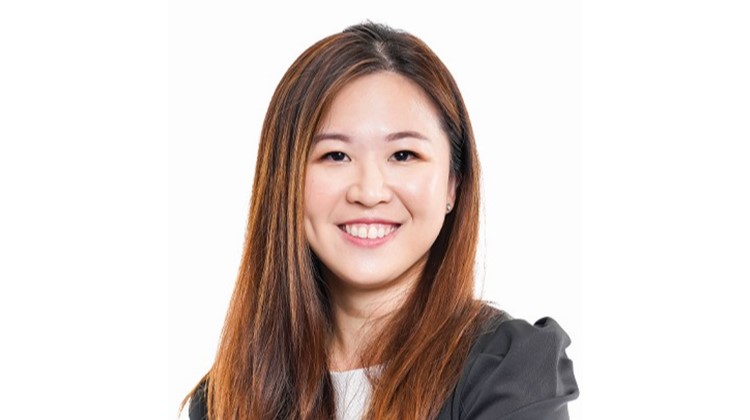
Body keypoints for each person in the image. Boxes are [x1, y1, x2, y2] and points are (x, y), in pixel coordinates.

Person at [184, 21, 578, 420]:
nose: (369, 192)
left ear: (452, 185)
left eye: (403, 155)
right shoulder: (225, 398)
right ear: (285, 182)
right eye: (335, 156)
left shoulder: (510, 374)